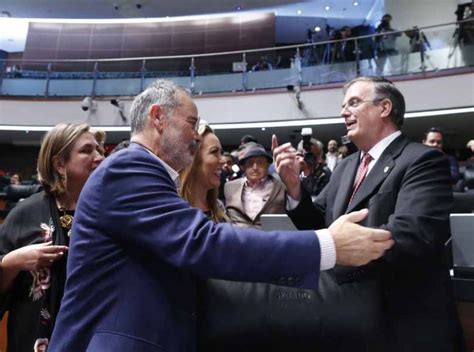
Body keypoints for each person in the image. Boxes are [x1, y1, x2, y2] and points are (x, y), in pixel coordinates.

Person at [49, 79, 393, 352]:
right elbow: (204, 243)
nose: (196, 137)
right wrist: (327, 246)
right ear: (157, 117)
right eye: (191, 124)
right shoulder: (128, 168)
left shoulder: (146, 176)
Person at [273, 76, 463, 351]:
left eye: (353, 102)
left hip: (404, 324)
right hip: (350, 317)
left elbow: (411, 234)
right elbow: (319, 222)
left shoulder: (423, 160)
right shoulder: (346, 166)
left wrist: (334, 248)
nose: (343, 112)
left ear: (384, 108)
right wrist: (294, 189)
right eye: (343, 105)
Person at [0, 123, 104, 352]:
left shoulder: (109, 213)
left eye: (100, 151)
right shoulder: (24, 214)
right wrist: (12, 263)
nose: (99, 157)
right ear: (59, 163)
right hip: (34, 340)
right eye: (87, 150)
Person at [224, 143, 285, 228]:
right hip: (237, 238)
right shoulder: (229, 187)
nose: (255, 167)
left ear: (267, 165)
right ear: (244, 167)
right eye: (250, 163)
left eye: (260, 163)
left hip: (269, 238)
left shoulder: (281, 187)